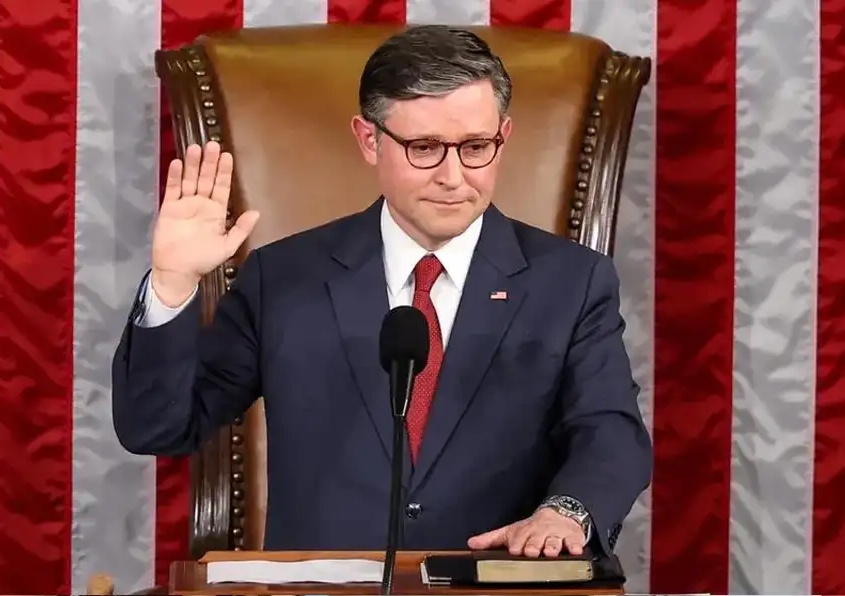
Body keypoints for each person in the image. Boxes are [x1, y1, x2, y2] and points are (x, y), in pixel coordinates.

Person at [111, 24, 652, 559]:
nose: (453, 176)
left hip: (496, 582)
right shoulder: (283, 277)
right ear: (369, 140)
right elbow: (159, 428)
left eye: (475, 147)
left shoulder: (570, 281)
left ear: (502, 138)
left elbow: (610, 432)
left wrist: (566, 512)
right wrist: (172, 283)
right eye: (424, 147)